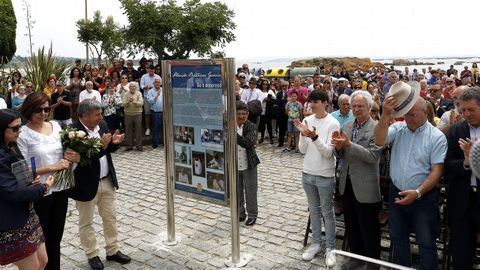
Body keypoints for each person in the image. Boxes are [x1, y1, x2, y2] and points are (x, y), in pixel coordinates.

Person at [374, 81, 447, 270]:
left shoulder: (436, 137)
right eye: (405, 114)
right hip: (397, 192)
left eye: (412, 114)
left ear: (425, 112)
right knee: (398, 237)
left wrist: (417, 192)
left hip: (422, 197)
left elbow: (437, 171)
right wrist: (385, 115)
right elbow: (379, 140)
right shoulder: (399, 130)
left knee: (426, 242)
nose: (408, 118)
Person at [17, 92, 80, 270]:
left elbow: (65, 153)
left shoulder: (55, 126)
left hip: (61, 187)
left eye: (46, 109)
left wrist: (73, 156)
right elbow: (23, 170)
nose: (44, 113)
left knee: (56, 238)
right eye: (39, 110)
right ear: (29, 110)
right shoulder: (23, 134)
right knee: (42, 240)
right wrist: (52, 167)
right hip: (40, 191)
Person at [68, 99, 130, 270]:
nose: (101, 117)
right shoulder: (73, 132)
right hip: (85, 185)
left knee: (110, 218)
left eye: (100, 113)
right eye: (97, 114)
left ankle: (113, 250)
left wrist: (114, 144)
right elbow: (83, 161)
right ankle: (92, 254)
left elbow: (107, 150)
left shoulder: (102, 125)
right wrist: (102, 148)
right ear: (84, 115)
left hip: (106, 180)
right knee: (86, 222)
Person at [332, 91, 383, 270]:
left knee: (369, 227)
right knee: (351, 224)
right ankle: (356, 257)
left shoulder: (377, 127)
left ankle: (372, 262)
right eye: (354, 106)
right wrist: (338, 148)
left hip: (366, 185)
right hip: (347, 183)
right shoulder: (346, 125)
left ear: (369, 107)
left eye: (360, 106)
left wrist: (349, 145)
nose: (356, 109)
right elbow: (341, 155)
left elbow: (372, 156)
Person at [0, 109, 54, 270]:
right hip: (12, 220)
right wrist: (43, 187)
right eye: (15, 128)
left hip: (27, 215)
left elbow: (20, 173)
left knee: (43, 261)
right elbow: (12, 191)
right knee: (32, 267)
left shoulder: (10, 145)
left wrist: (31, 180)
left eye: (20, 126)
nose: (20, 131)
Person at [294, 90, 340, 267]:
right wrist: (304, 136)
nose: (312, 105)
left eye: (316, 101)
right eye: (310, 101)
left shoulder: (333, 123)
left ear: (325, 103)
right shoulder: (307, 120)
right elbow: (302, 150)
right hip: (307, 172)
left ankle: (330, 248)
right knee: (313, 210)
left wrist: (314, 137)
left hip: (325, 175)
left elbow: (329, 153)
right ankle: (316, 244)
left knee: (327, 213)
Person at [444, 87, 480, 269]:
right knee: (461, 255)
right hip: (462, 202)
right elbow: (448, 164)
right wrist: (466, 162)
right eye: (463, 110)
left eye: (471, 110)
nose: (466, 114)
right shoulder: (456, 130)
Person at [236, 101, 260, 226]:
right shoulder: (228, 125)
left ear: (248, 114)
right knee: (236, 190)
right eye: (238, 113)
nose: (241, 116)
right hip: (234, 162)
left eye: (244, 114)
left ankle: (252, 215)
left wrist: (233, 134)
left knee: (251, 190)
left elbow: (248, 142)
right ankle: (240, 213)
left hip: (248, 162)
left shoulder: (250, 126)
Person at [140, 65, 161, 136]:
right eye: (150, 70)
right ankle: (148, 128)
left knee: (156, 113)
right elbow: (141, 86)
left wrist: (155, 86)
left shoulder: (158, 77)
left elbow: (161, 85)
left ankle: (157, 127)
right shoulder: (144, 76)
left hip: (157, 97)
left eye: (152, 71)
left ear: (154, 70)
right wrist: (145, 87)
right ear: (147, 70)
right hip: (147, 97)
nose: (151, 72)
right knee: (147, 113)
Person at [123, 82, 143, 151]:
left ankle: (139, 145)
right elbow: (123, 104)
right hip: (128, 114)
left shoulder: (139, 93)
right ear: (129, 88)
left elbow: (141, 103)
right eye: (131, 86)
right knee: (128, 130)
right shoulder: (126, 94)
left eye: (134, 86)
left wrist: (134, 101)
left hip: (138, 114)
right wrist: (128, 101)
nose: (132, 88)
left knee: (138, 130)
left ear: (136, 87)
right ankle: (129, 145)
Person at [146, 78, 164, 148]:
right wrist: (156, 95)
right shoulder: (150, 91)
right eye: (156, 82)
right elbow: (150, 101)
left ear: (160, 83)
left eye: (159, 82)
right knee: (155, 128)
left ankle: (164, 142)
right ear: (153, 83)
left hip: (164, 112)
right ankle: (156, 143)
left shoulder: (164, 89)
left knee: (164, 128)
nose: (157, 83)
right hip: (155, 112)